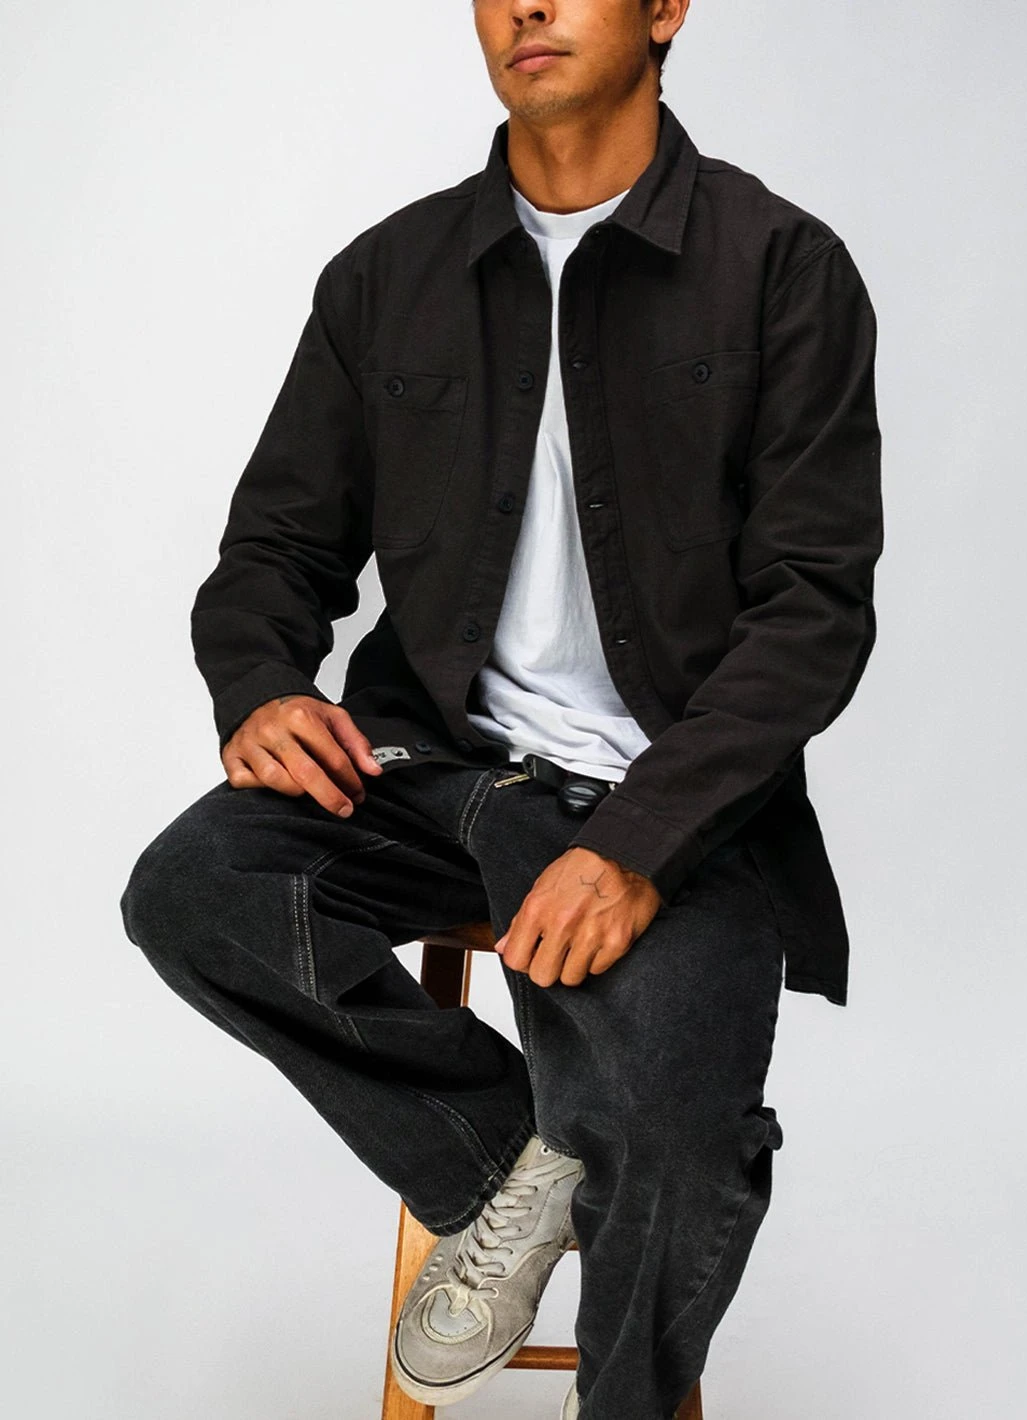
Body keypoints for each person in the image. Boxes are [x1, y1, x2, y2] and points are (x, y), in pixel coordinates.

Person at [119, 1, 883, 1416]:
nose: (527, 4)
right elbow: (275, 550)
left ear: (665, 8)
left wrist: (637, 846)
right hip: (435, 779)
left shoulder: (781, 269)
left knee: (681, 1130)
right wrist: (263, 683)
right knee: (194, 889)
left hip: (674, 807)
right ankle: (514, 1167)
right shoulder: (386, 277)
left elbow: (813, 610)